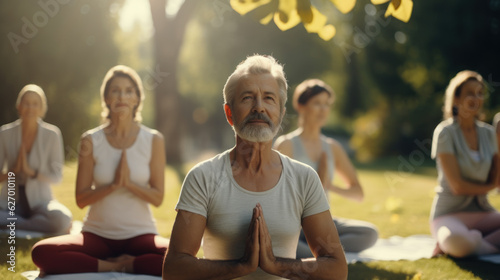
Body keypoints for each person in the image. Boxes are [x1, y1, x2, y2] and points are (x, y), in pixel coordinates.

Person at [163, 55, 347, 280]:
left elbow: (337, 269)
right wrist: (239, 267)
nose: (258, 106)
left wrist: (275, 265)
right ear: (230, 113)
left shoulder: (304, 178)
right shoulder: (203, 177)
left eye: (269, 98)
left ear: (280, 112)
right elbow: (173, 270)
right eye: (248, 98)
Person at [31, 65, 169, 276]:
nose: (122, 95)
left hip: (141, 234)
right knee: (41, 253)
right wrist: (113, 185)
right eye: (115, 90)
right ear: (106, 98)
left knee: (181, 256)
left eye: (129, 90)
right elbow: (81, 198)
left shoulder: (153, 140)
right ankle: (114, 265)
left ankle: (128, 263)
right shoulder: (90, 140)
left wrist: (128, 184)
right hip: (97, 235)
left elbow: (158, 197)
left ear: (137, 99)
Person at [274, 79, 378, 256]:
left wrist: (328, 185)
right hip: (293, 225)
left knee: (369, 234)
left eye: (326, 104)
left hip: (323, 224)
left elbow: (358, 193)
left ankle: (315, 254)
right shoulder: (286, 145)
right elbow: (275, 193)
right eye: (317, 103)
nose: (323, 110)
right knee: (277, 241)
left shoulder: (333, 148)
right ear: (300, 106)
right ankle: (326, 255)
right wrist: (314, 185)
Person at [430, 70, 500, 258]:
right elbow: (458, 187)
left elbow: (497, 181)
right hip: (449, 215)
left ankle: (478, 243)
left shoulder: (488, 133)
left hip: (482, 213)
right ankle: (474, 243)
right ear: (456, 98)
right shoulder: (445, 132)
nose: (476, 98)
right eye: (470, 93)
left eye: (480, 93)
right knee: (459, 243)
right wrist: (490, 186)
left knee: (467, 244)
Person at [0, 84, 72, 234]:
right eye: (26, 103)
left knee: (63, 219)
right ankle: (31, 224)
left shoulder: (52, 134)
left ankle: (14, 225)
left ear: (42, 108)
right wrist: (13, 171)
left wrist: (31, 172)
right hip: (10, 201)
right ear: (19, 106)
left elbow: (57, 177)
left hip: (41, 201)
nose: (30, 108)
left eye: (35, 104)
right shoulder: (5, 133)